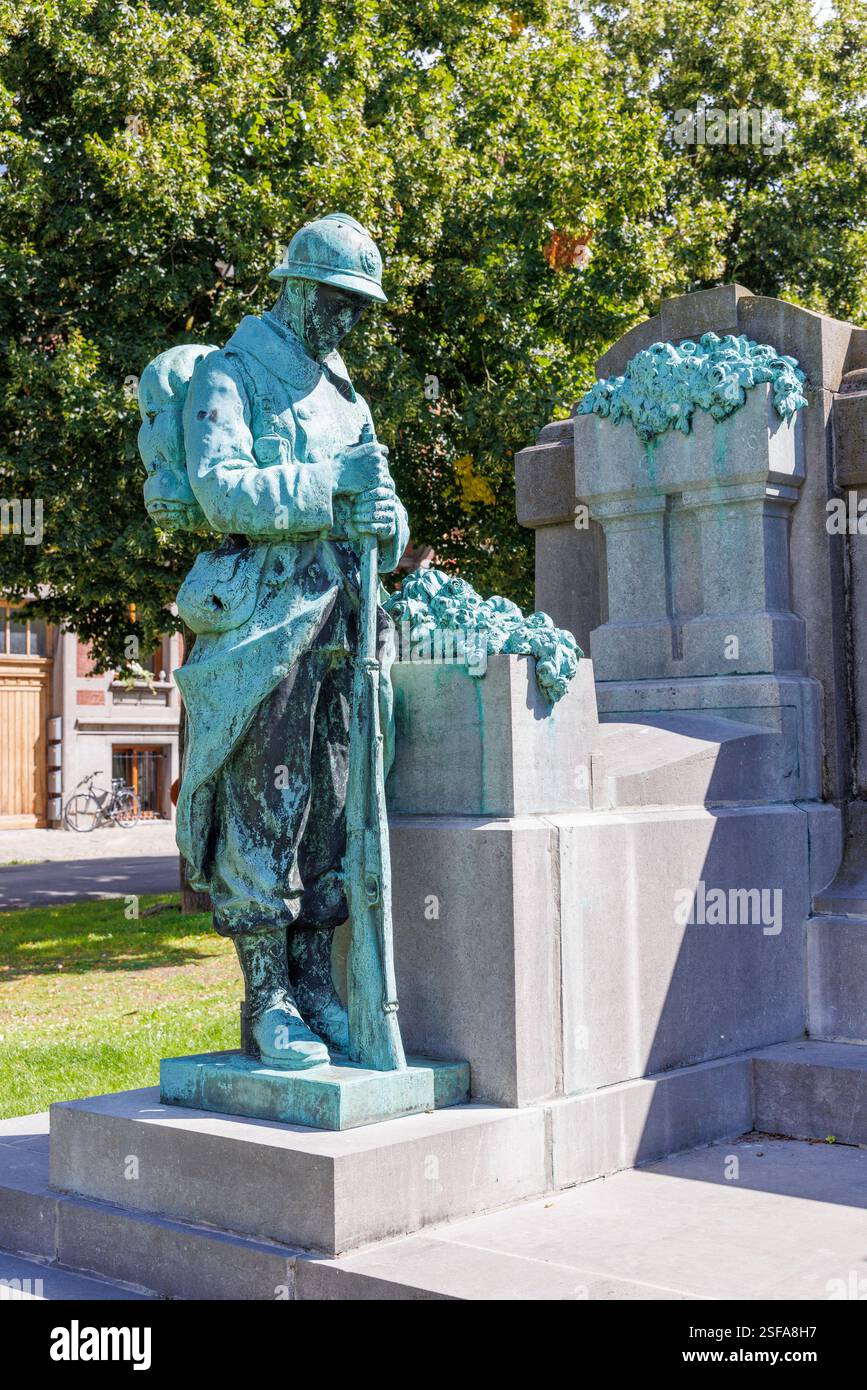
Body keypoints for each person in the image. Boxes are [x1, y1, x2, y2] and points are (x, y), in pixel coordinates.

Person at [173, 213, 409, 1069]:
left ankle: (314, 986)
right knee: (262, 811)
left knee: (338, 815)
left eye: (360, 308)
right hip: (267, 629)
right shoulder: (228, 378)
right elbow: (220, 492)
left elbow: (375, 500)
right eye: (340, 303)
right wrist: (330, 486)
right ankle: (266, 999)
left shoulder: (348, 395)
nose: (350, 321)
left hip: (347, 623)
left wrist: (389, 516)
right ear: (297, 289)